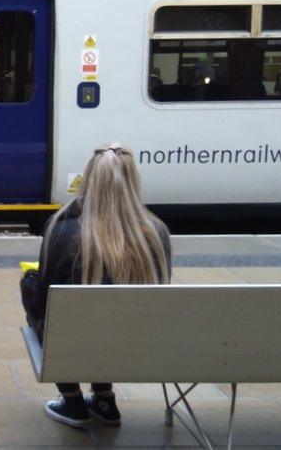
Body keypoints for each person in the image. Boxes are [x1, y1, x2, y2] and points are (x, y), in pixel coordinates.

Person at [21, 142, 171, 429]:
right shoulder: (157, 233)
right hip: (135, 348)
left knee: (40, 302)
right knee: (113, 321)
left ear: (89, 181)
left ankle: (73, 400)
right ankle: (104, 399)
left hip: (73, 344)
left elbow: (43, 305)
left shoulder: (62, 230)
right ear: (132, 182)